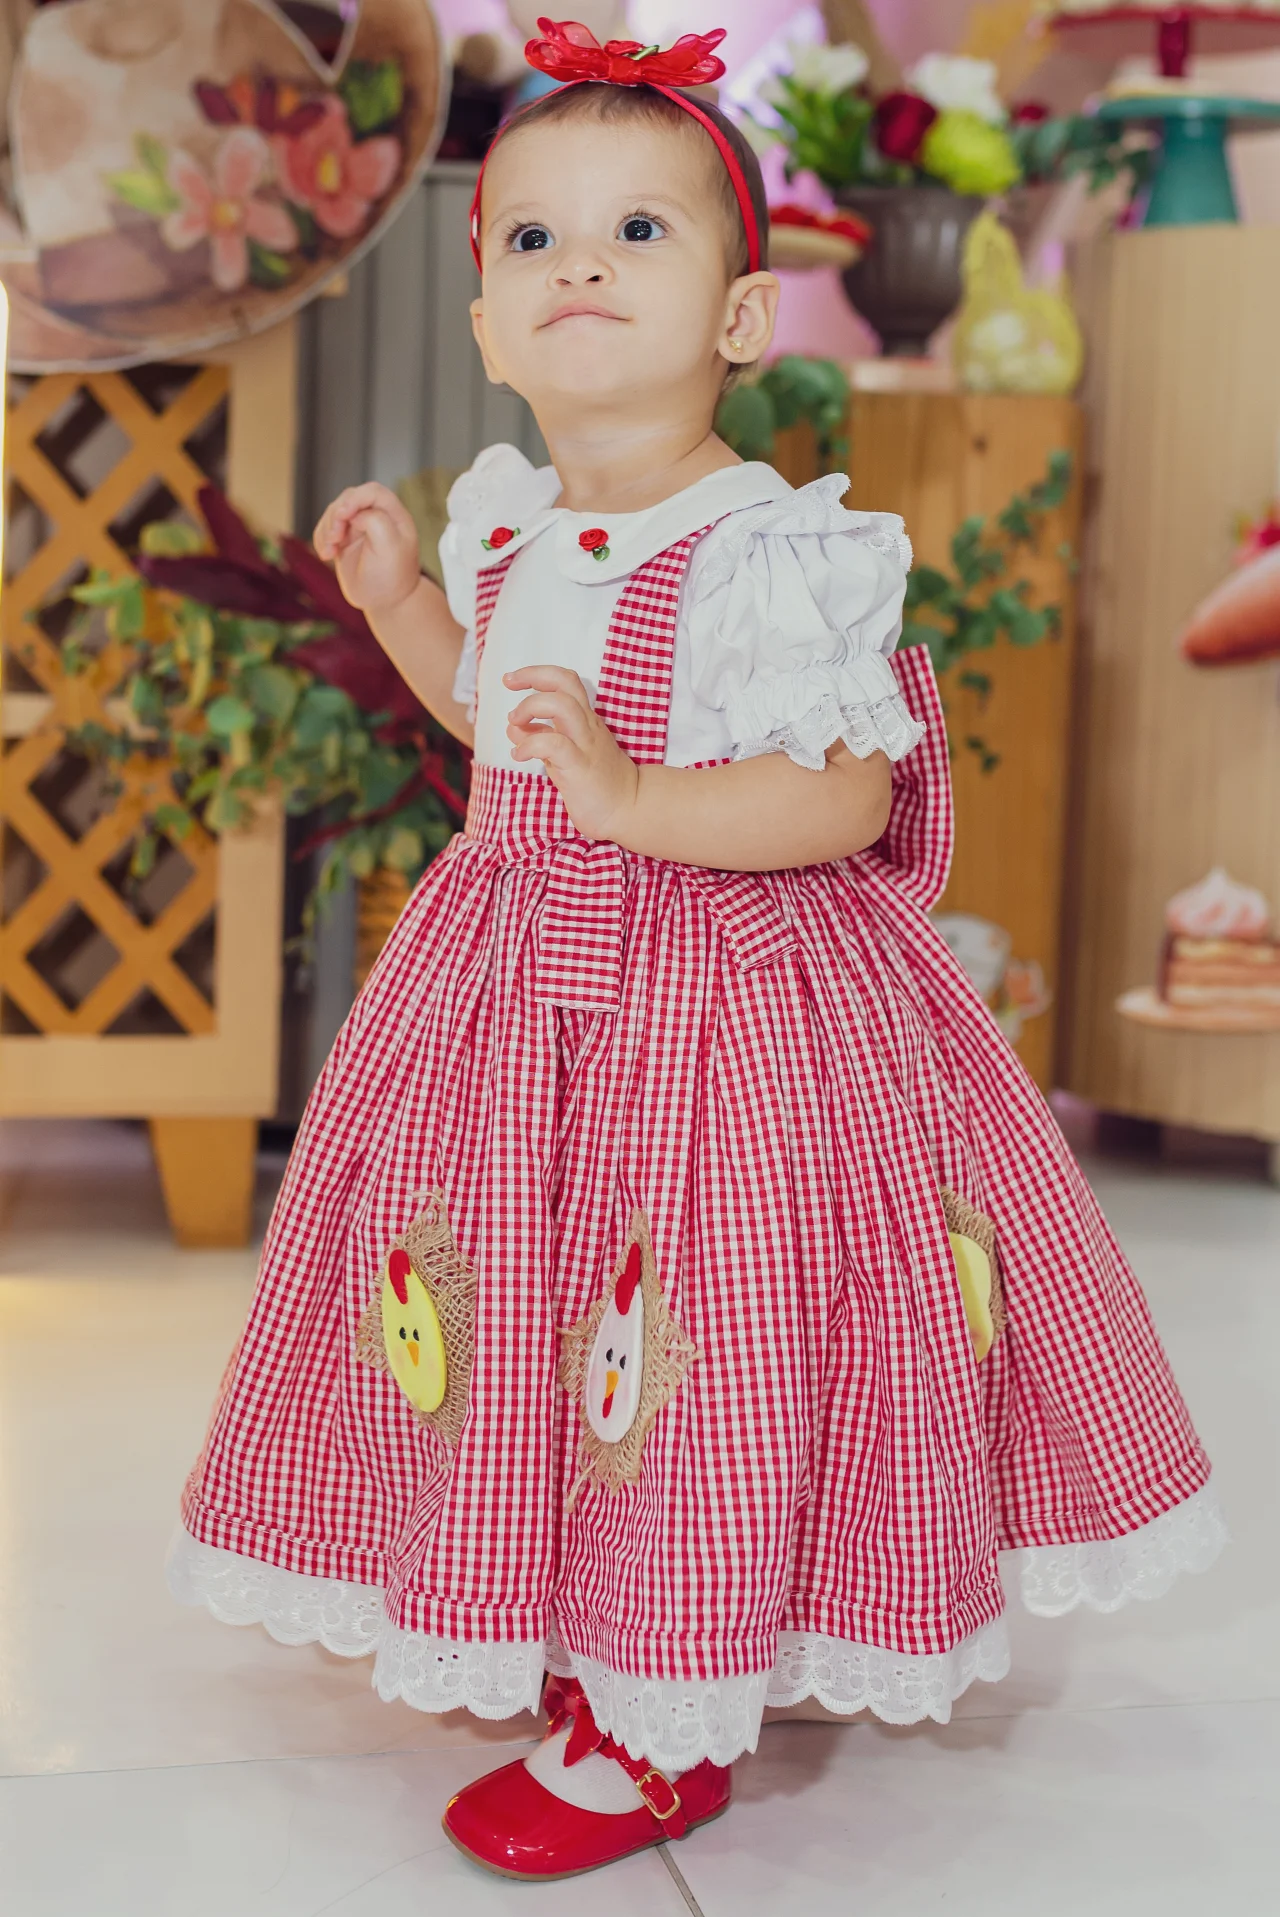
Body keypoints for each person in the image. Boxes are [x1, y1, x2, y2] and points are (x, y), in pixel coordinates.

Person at [169, 19, 1225, 1883]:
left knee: (703, 1330)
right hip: (520, 1003)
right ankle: (556, 1591)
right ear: (490, 327)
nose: (579, 265)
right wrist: (406, 607)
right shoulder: (512, 528)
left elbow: (836, 798)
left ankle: (662, 1701)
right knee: (529, 1301)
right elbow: (500, 726)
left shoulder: (767, 552)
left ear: (741, 319)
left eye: (638, 233)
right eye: (533, 238)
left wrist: (640, 796)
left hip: (726, 1017)